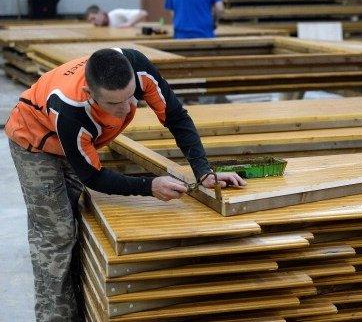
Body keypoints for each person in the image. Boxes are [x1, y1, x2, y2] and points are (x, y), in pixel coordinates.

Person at [5, 48, 246, 321]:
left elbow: (176, 117)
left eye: (130, 97)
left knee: (75, 218)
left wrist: (204, 173)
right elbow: (93, 177)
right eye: (113, 104)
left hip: (74, 140)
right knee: (56, 234)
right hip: (34, 141)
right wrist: (149, 186)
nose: (125, 109)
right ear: (89, 93)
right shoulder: (71, 109)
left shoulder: (138, 68)